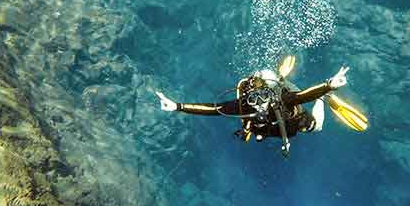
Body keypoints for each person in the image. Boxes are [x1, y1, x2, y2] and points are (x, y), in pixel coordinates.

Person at [154, 57, 368, 157]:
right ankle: (278, 77)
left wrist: (328, 86)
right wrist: (177, 106)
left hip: (291, 119)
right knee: (255, 133)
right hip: (268, 127)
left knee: (316, 127)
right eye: (255, 98)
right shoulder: (243, 105)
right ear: (249, 96)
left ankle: (324, 98)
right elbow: (212, 109)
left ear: (269, 93)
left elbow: (304, 96)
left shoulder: (282, 100)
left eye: (264, 96)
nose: (260, 103)